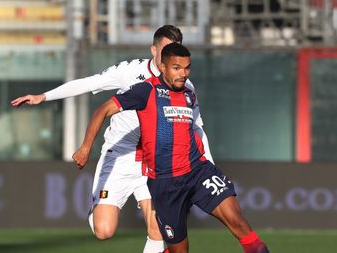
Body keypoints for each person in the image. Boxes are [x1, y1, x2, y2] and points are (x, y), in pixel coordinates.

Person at [11, 25, 214, 253]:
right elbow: (89, 83)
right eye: (166, 50)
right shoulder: (130, 72)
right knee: (104, 231)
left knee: (157, 229)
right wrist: (44, 96)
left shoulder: (184, 86)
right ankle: (97, 209)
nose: (172, 56)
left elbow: (196, 127)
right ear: (154, 50)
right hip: (119, 156)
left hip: (152, 162)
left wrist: (209, 167)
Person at [73, 43, 270, 253]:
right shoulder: (145, 91)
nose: (183, 74)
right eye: (177, 68)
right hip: (166, 184)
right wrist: (86, 147)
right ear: (163, 68)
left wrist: (207, 161)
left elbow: (196, 130)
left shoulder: (189, 95)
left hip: (198, 172)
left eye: (187, 68)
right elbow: (103, 109)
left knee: (241, 225)